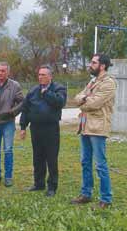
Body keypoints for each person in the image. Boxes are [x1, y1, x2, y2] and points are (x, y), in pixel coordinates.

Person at [71, 53, 116, 210]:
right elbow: (76, 98)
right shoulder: (92, 82)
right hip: (85, 126)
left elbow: (95, 103)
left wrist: (83, 100)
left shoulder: (109, 83)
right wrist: (84, 99)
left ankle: (106, 198)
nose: (90, 65)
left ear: (102, 66)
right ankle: (86, 194)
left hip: (98, 128)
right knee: (85, 162)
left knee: (100, 164)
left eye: (94, 62)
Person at [20, 65, 67, 197]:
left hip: (51, 129)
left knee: (51, 158)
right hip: (36, 128)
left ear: (50, 76)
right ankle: (38, 183)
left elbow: (60, 102)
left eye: (43, 75)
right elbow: (25, 109)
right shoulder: (33, 91)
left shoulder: (59, 89)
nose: (40, 77)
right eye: (39, 75)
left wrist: (46, 93)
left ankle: (52, 186)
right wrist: (23, 127)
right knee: (38, 157)